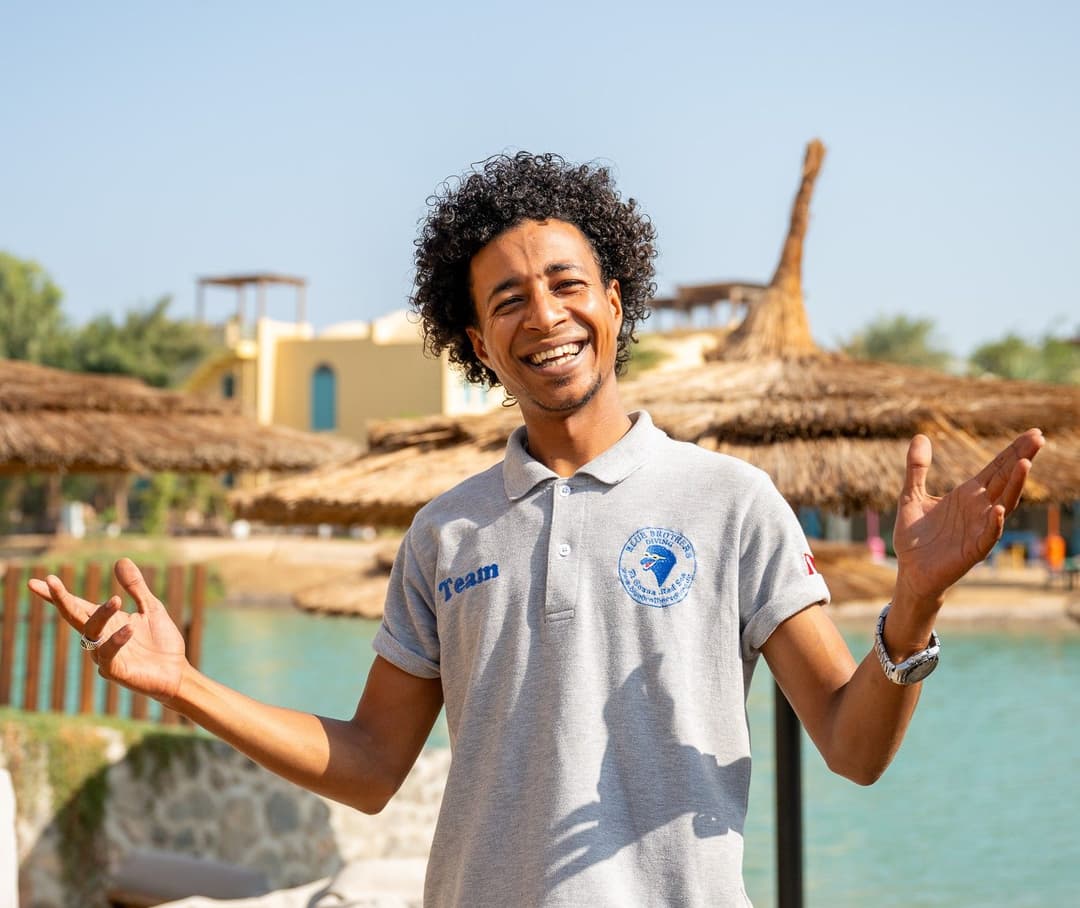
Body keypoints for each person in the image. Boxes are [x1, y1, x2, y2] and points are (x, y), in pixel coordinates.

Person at [32, 153, 1044, 907]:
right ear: (478, 341)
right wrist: (185, 685)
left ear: (615, 299)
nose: (544, 313)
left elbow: (853, 746)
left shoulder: (732, 502)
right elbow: (374, 763)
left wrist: (913, 606)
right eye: (508, 298)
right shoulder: (444, 534)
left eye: (567, 283)